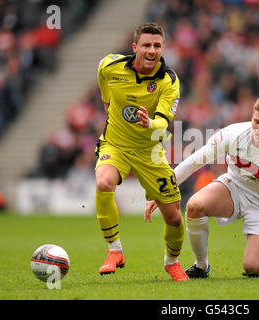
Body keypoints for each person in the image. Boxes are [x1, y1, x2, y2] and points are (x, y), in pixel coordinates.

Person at [146, 96, 259, 278]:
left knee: (253, 267)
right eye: (257, 121)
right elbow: (194, 161)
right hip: (234, 188)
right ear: (252, 118)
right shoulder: (233, 134)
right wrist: (162, 193)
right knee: (194, 206)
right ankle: (201, 266)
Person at [94, 22, 188, 281]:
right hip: (116, 144)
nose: (152, 50)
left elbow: (163, 122)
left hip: (150, 151)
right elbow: (101, 76)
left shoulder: (168, 80)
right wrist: (106, 101)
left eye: (157, 45)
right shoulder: (110, 66)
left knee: (174, 217)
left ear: (163, 48)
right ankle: (115, 250)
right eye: (146, 45)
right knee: (104, 183)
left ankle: (172, 262)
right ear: (135, 47)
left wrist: (151, 124)